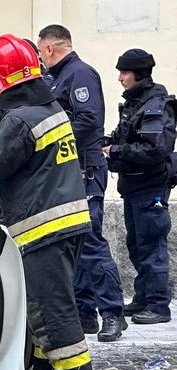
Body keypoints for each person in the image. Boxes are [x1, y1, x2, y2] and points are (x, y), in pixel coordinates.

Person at [0, 34, 95, 370]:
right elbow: (30, 172)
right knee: (41, 310)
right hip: (67, 223)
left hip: (43, 228)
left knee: (53, 309)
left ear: (0, 79)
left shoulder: (18, 120)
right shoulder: (52, 110)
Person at [37, 24, 126, 342]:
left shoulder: (78, 74)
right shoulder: (58, 77)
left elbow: (88, 120)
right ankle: (85, 313)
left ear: (49, 48)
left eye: (40, 51)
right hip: (70, 172)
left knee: (89, 243)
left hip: (86, 171)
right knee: (74, 245)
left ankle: (113, 313)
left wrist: (48, 136)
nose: (41, 58)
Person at [103, 49, 176, 325]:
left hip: (151, 186)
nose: (120, 78)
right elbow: (127, 136)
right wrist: (106, 142)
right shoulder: (136, 103)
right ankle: (145, 297)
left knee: (151, 245)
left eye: (124, 72)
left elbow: (155, 150)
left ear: (139, 74)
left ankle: (158, 306)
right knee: (136, 244)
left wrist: (116, 151)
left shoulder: (156, 105)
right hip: (134, 186)